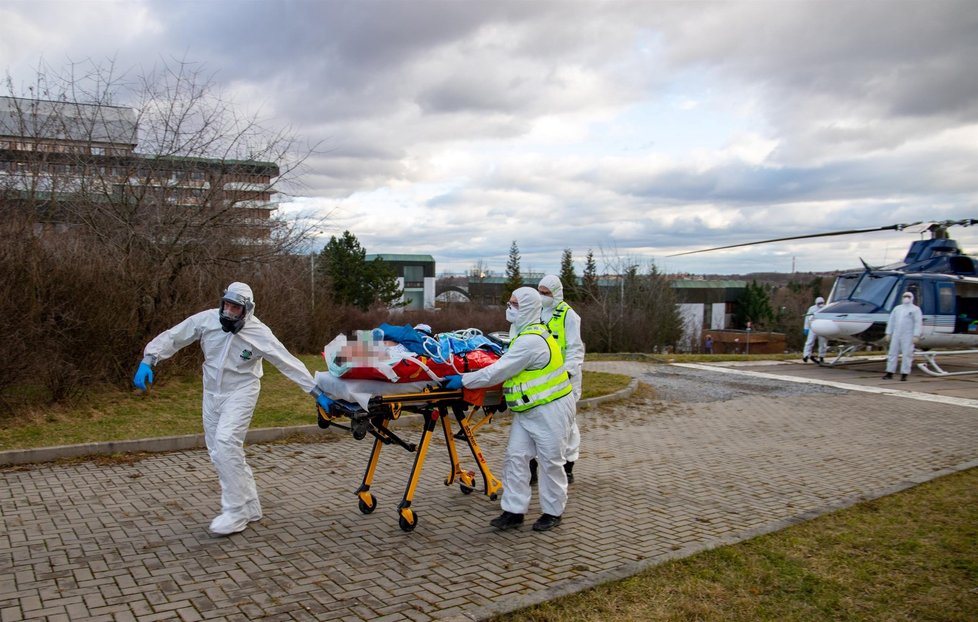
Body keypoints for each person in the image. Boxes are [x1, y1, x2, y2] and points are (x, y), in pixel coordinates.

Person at [132, 282, 333, 536]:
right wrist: (150, 358)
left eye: (235, 308)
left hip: (242, 391)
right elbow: (175, 336)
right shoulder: (207, 320)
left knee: (227, 442)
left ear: (247, 310)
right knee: (219, 452)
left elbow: (287, 362)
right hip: (212, 393)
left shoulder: (259, 333)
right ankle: (250, 505)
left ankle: (235, 512)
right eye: (226, 304)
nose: (229, 311)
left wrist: (316, 392)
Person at [443, 287, 575, 532]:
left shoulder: (532, 340)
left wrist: (462, 380)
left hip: (551, 408)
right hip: (527, 409)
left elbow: (499, 370)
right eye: (509, 302)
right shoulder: (522, 332)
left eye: (514, 304)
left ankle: (553, 512)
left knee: (550, 462)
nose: (508, 307)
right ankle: (514, 511)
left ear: (527, 308)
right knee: (515, 457)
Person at [528, 274, 585, 485]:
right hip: (541, 376)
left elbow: (575, 347)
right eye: (539, 292)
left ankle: (568, 463)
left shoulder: (568, 315)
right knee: (536, 420)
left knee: (566, 424)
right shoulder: (538, 312)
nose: (541, 296)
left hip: (565, 377)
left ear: (556, 294)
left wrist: (568, 372)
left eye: (546, 293)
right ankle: (533, 465)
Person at [883, 291, 923, 381]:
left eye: (908, 296)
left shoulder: (915, 309)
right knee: (892, 353)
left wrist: (916, 335)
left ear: (912, 298)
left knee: (907, 354)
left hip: (908, 335)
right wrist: (888, 333)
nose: (906, 298)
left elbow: (918, 323)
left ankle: (904, 374)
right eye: (905, 296)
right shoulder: (897, 309)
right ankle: (889, 372)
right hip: (896, 334)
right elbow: (891, 321)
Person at [802, 296, 827, 363]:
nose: (820, 304)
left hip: (822, 328)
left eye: (822, 303)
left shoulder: (826, 308)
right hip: (813, 327)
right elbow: (807, 318)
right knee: (809, 342)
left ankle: (821, 356)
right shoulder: (812, 308)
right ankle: (806, 355)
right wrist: (806, 328)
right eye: (819, 303)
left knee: (823, 343)